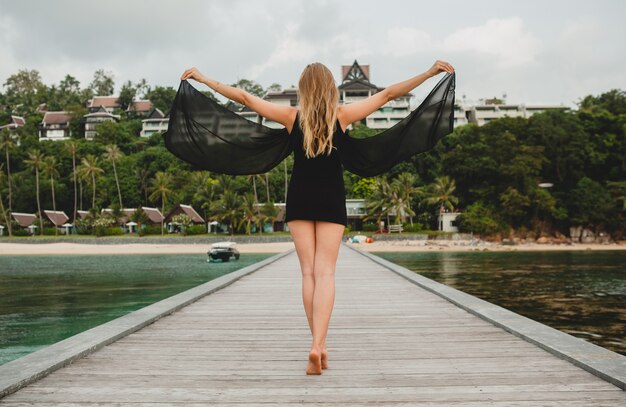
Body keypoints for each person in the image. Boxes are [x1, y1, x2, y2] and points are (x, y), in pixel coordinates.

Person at [179, 60, 455, 375]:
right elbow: (389, 94)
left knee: (308, 274)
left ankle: (317, 346)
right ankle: (318, 345)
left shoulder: (290, 117)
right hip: (330, 198)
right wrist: (429, 73)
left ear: (303, 90)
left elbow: (243, 98)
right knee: (326, 274)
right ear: (331, 89)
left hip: (299, 197)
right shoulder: (342, 116)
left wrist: (204, 79)